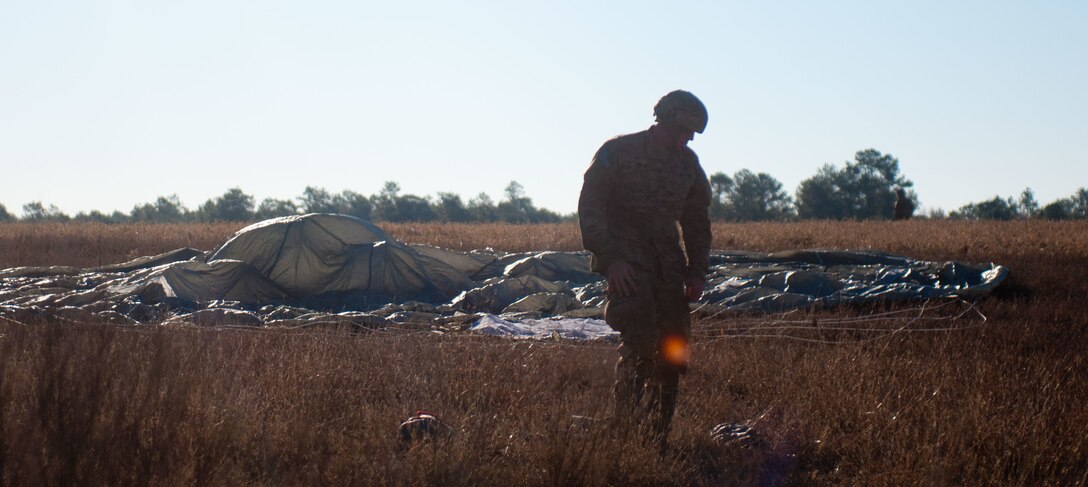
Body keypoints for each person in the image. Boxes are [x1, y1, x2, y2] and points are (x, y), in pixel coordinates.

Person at [578, 90, 712, 449]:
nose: (688, 139)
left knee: (673, 353)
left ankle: (657, 440)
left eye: (692, 135)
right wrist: (611, 261)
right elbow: (591, 209)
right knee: (639, 348)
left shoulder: (688, 165)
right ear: (664, 120)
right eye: (683, 131)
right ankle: (625, 437)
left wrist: (697, 272)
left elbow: (697, 223)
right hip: (628, 267)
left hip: (670, 270)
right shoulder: (617, 153)